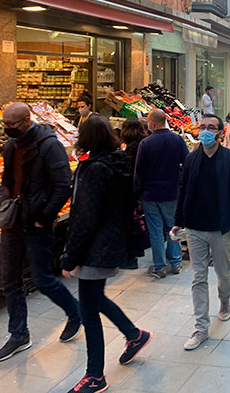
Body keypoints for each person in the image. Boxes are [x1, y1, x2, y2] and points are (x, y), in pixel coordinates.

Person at [61, 116, 150, 393]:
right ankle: (134, 335)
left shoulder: (94, 169)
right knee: (94, 299)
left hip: (95, 248)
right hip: (110, 243)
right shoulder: (117, 162)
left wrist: (69, 257)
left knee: (88, 310)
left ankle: (95, 375)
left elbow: (85, 218)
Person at [0, 103, 80, 362]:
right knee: (9, 279)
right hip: (13, 221)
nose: (7, 129)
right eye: (5, 125)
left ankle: (75, 313)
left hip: (37, 222)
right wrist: (2, 202)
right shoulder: (10, 147)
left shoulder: (49, 145)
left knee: (43, 280)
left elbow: (64, 184)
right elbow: (7, 180)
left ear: (27, 120)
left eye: (12, 125)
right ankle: (19, 334)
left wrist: (45, 217)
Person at [172, 113, 230, 351]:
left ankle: (224, 301)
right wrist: (178, 221)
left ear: (220, 132)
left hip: (221, 228)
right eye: (202, 126)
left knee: (224, 274)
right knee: (198, 277)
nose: (205, 131)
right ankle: (201, 328)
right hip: (195, 227)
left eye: (211, 127)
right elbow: (183, 191)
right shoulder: (192, 159)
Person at [134, 109, 189, 279]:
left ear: (152, 123)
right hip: (172, 193)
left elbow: (139, 172)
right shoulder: (177, 140)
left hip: (150, 194)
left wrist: (136, 194)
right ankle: (176, 262)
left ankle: (159, 265)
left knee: (156, 231)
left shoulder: (146, 144)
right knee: (173, 227)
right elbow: (187, 164)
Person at [119, 120, 149, 270]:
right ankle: (135, 253)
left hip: (132, 192)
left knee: (131, 224)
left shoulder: (132, 148)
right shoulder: (142, 144)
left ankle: (130, 257)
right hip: (138, 191)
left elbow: (131, 171)